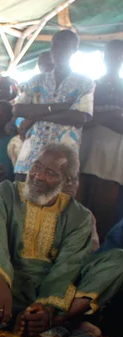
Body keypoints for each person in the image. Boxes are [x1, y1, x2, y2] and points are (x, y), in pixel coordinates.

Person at [0, 144, 123, 337]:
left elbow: (68, 267)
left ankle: (48, 320)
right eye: (36, 166)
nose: (38, 176)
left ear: (67, 181)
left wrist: (46, 308)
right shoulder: (5, 192)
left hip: (53, 293)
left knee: (117, 260)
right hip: (6, 288)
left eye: (50, 172)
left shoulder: (80, 217)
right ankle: (58, 324)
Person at [13, 30, 94, 178]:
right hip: (29, 160)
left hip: (62, 164)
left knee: (55, 200)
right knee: (20, 198)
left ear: (74, 50)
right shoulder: (36, 80)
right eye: (55, 46)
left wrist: (35, 116)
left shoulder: (85, 83)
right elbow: (18, 109)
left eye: (64, 46)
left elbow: (80, 117)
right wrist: (58, 107)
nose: (58, 51)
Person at [78, 39, 123, 240]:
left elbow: (92, 117)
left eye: (117, 55)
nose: (112, 59)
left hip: (113, 160)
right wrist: (112, 115)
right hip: (85, 153)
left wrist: (98, 116)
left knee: (103, 214)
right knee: (79, 208)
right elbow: (83, 119)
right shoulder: (90, 85)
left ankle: (96, 258)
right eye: (108, 55)